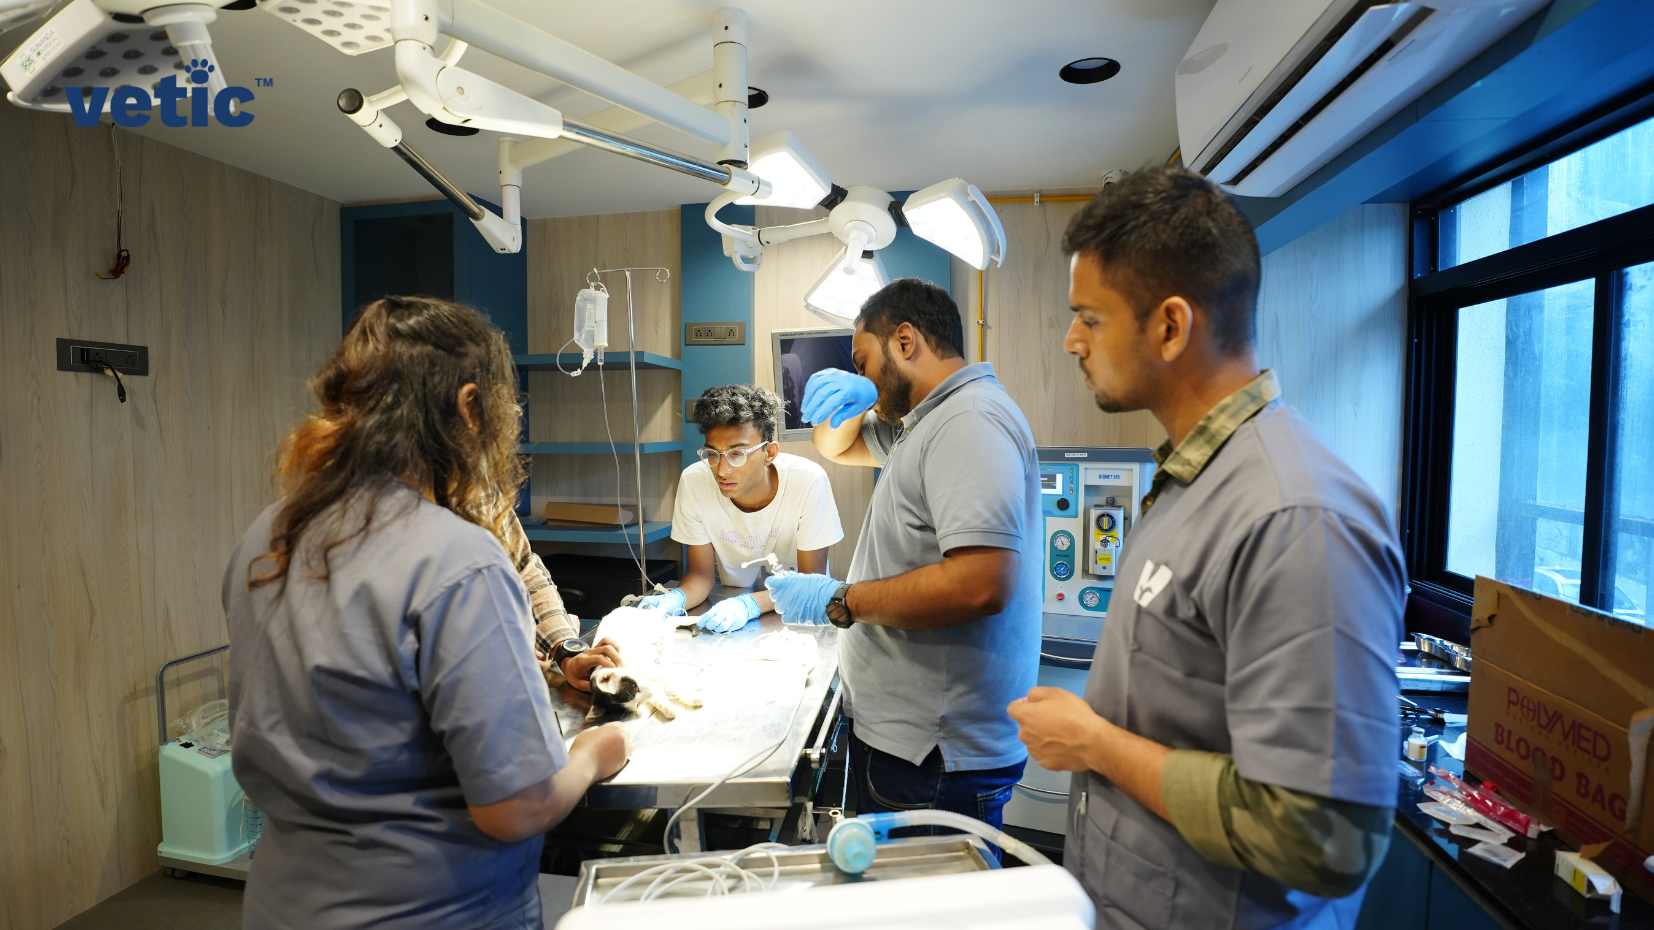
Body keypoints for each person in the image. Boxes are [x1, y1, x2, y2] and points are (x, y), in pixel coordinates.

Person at [1006, 167, 1405, 928]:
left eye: (1089, 318)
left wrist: (1095, 743)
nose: (1071, 340)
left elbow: (1317, 836)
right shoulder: (1189, 481)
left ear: (1170, 326)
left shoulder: (1295, 519)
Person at [224, 296, 629, 930]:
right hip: (430, 909)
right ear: (469, 407)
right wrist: (592, 755)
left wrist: (560, 649)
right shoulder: (457, 560)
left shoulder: (271, 534)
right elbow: (516, 807)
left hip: (286, 902)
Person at [766, 278, 1041, 834]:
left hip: (934, 757)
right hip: (916, 746)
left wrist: (842, 600)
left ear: (906, 342)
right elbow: (837, 446)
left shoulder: (967, 423)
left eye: (863, 362)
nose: (862, 375)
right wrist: (860, 396)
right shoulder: (926, 421)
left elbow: (979, 584)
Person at [636, 384, 843, 632]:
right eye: (712, 454)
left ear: (769, 453)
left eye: (737, 454)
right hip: (731, 600)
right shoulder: (694, 482)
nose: (722, 470)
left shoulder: (808, 481)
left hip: (802, 610)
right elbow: (700, 576)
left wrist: (749, 605)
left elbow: (811, 582)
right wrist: (675, 599)